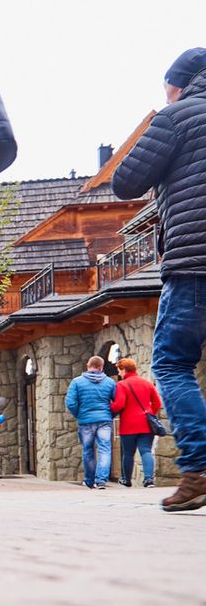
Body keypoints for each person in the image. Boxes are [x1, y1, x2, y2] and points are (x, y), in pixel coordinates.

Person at [113, 47, 206, 512]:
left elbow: (125, 181)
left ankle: (200, 468)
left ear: (180, 82)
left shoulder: (176, 116)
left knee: (172, 364)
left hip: (195, 263)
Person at [65, 355, 117, 489]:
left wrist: (79, 414)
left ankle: (89, 480)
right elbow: (117, 402)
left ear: (88, 366)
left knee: (88, 450)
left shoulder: (76, 382)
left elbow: (70, 403)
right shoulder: (110, 382)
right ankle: (101, 480)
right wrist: (110, 415)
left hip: (85, 421)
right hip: (104, 420)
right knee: (104, 449)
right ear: (101, 367)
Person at [111, 357, 163, 488]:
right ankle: (149, 480)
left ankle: (126, 480)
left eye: (119, 370)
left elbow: (119, 404)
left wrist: (110, 409)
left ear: (123, 369)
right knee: (146, 451)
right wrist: (150, 412)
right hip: (146, 423)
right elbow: (157, 402)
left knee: (128, 453)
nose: (119, 373)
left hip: (128, 425)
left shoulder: (122, 385)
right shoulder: (147, 383)